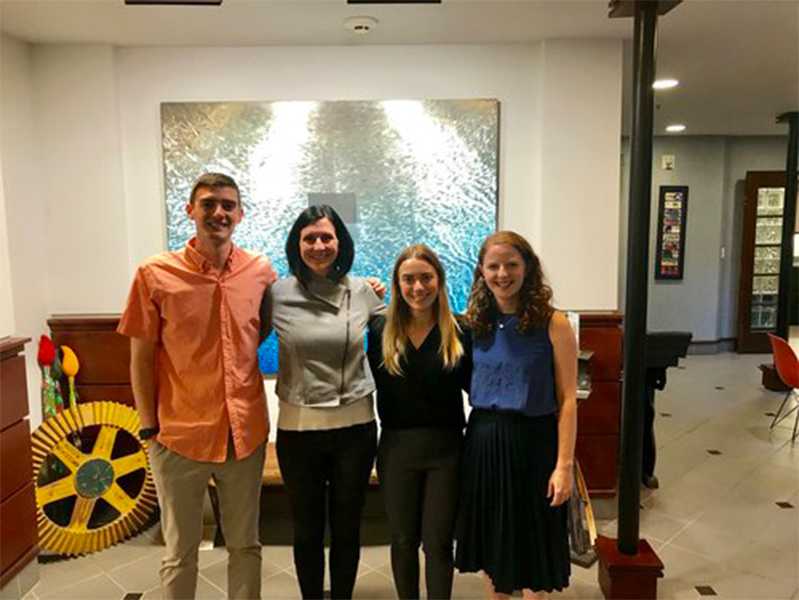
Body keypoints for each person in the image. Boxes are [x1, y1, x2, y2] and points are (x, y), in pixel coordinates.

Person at [118, 172, 276, 600]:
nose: (218, 213)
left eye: (227, 205)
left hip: (243, 434)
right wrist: (149, 429)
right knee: (180, 551)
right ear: (190, 211)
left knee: (245, 545)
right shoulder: (154, 274)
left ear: (240, 215)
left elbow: (255, 333)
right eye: (208, 204)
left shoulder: (260, 271)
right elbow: (141, 357)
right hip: (178, 435)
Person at [260, 205, 385, 600]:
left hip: (356, 428)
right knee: (307, 528)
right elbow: (241, 338)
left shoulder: (362, 291)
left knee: (348, 526)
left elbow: (398, 339)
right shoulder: (277, 294)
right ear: (297, 244)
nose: (318, 245)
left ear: (340, 243)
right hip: (299, 430)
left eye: (326, 237)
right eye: (309, 237)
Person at [455, 231, 577, 599]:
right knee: (494, 543)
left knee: (532, 544)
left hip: (533, 443)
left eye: (511, 264)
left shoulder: (553, 323)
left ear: (528, 268)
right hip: (483, 441)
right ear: (482, 271)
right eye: (493, 266)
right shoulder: (475, 322)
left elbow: (568, 398)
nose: (502, 274)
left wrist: (564, 465)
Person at [366, 244, 471, 600]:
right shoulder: (379, 329)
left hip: (447, 450)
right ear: (397, 284)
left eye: (426, 278)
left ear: (439, 281)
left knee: (438, 543)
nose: (418, 287)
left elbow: (480, 388)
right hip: (397, 449)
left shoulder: (459, 331)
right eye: (408, 279)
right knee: (402, 540)